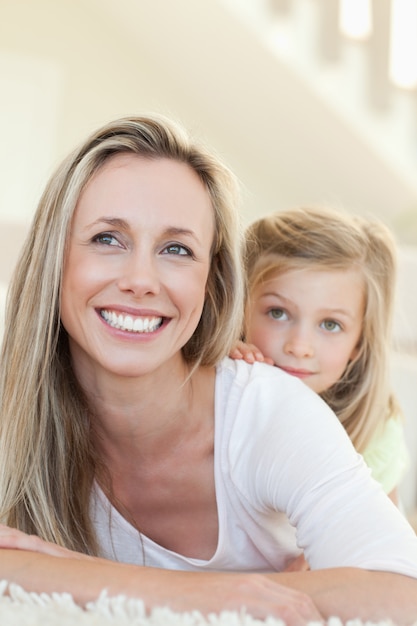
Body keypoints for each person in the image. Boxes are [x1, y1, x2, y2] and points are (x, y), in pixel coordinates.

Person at [1, 115, 417, 625]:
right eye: (108, 238)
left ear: (212, 283)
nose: (140, 279)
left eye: (177, 249)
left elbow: (403, 592)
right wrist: (189, 595)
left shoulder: (267, 413)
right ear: (54, 256)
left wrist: (89, 578)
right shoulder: (12, 404)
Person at [231, 206, 409, 507]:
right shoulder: (213, 391)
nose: (300, 346)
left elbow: (385, 547)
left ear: (358, 342)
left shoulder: (374, 434)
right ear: (240, 311)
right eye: (278, 313)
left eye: (330, 325)